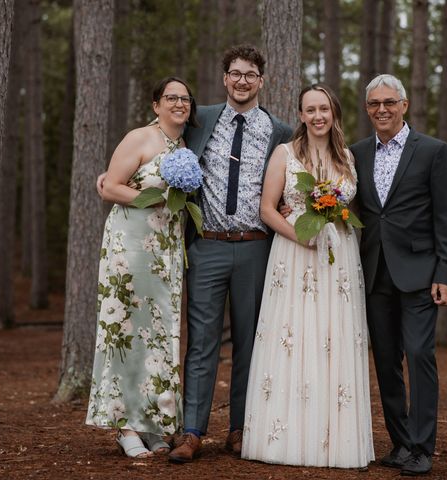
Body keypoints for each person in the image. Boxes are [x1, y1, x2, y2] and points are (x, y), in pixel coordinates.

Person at [167, 44, 293, 463]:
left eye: (250, 75)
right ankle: (191, 431)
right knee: (201, 343)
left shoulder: (280, 131)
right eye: (235, 73)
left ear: (262, 81)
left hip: (256, 248)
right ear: (225, 79)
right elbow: (159, 138)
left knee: (250, 343)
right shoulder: (199, 121)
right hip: (207, 247)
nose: (242, 81)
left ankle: (242, 428)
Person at [241, 84, 374, 468]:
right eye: (310, 110)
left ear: (334, 114)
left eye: (324, 109)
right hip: (295, 254)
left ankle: (334, 439)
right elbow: (267, 209)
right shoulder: (285, 154)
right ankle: (287, 437)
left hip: (340, 259)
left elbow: (350, 207)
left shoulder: (347, 157)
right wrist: (304, 238)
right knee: (295, 336)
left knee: (332, 338)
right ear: (300, 114)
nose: (317, 116)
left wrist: (332, 227)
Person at [350, 74, 447, 476]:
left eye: (389, 102)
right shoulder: (357, 153)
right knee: (386, 362)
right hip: (374, 271)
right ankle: (400, 443)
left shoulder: (432, 151)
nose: (382, 109)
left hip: (419, 273)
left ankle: (422, 446)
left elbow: (446, 219)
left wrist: (445, 273)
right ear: (367, 109)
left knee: (419, 354)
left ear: (404, 105)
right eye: (375, 104)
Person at [86, 77, 199, 458]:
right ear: (156, 105)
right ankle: (124, 425)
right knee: (126, 329)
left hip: (165, 251)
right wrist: (150, 200)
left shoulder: (183, 147)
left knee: (159, 335)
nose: (178, 103)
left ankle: (154, 420)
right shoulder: (139, 138)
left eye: (184, 98)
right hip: (130, 247)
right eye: (171, 98)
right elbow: (111, 187)